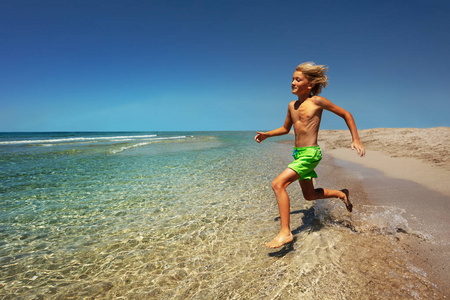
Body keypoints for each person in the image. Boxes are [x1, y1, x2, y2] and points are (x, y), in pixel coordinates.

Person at [255, 62, 365, 249]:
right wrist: (267, 134)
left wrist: (356, 139)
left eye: (298, 79)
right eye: (292, 79)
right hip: (299, 155)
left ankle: (285, 233)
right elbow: (285, 128)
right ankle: (341, 194)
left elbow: (346, 114)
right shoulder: (291, 105)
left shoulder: (317, 102)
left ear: (310, 84)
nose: (293, 82)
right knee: (309, 195)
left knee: (278, 184)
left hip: (311, 154)